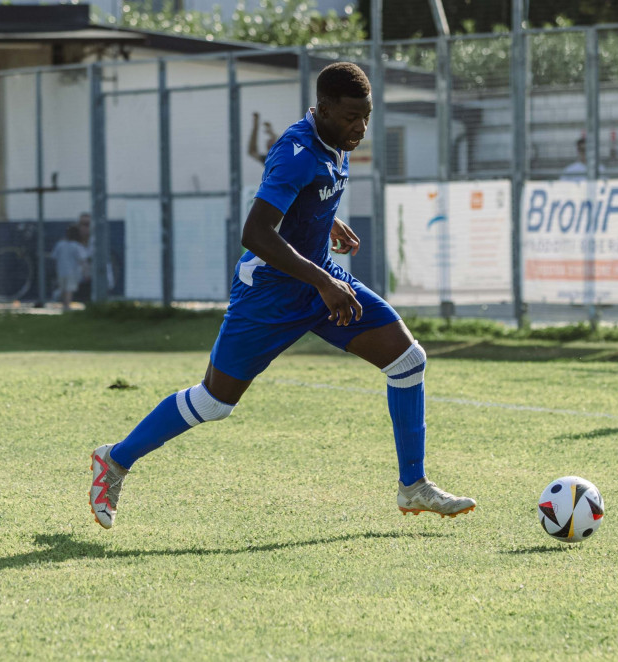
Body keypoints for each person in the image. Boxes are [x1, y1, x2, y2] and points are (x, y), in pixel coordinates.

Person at [89, 62, 475, 530]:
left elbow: (299, 200)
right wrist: (324, 282)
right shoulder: (297, 151)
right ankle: (115, 460)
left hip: (318, 282)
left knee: (407, 361)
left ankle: (413, 485)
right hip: (269, 295)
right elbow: (255, 232)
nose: (361, 127)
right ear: (323, 109)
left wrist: (323, 221)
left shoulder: (335, 141)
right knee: (214, 403)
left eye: (367, 116)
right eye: (351, 117)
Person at [50, 223, 89, 310]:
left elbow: (54, 256)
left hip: (61, 271)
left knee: (63, 289)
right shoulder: (77, 246)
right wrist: (85, 272)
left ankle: (64, 304)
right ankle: (67, 306)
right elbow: (83, 260)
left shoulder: (60, 244)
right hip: (72, 272)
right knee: (69, 289)